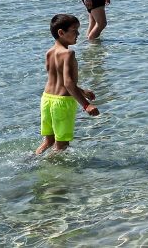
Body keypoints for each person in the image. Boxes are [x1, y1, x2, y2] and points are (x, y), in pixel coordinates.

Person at [35, 13, 100, 154]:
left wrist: (82, 91)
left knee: (49, 141)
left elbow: (59, 80)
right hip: (62, 104)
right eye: (74, 30)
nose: (78, 33)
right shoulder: (68, 54)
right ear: (61, 32)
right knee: (61, 145)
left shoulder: (49, 52)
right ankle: (46, 170)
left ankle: (30, 160)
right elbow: (68, 83)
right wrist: (86, 105)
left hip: (47, 99)